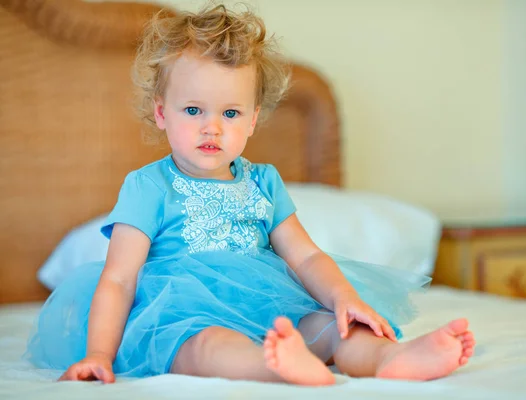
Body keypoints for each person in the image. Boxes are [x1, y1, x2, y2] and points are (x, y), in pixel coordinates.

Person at [25, 4, 475, 386]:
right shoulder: (148, 186)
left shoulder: (263, 182)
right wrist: (99, 355)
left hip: (270, 304)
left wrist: (343, 300)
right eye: (194, 109)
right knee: (203, 347)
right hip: (183, 314)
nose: (212, 127)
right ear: (161, 113)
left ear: (254, 119)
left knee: (331, 327)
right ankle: (276, 367)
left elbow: (306, 258)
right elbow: (120, 278)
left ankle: (388, 359)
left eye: (231, 112)